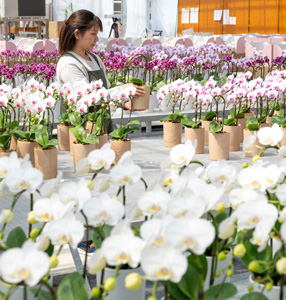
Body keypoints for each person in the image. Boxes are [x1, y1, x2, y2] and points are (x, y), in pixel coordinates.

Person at [56, 9, 145, 114]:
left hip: (102, 125)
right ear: (78, 34)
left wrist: (125, 102)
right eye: (93, 34)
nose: (97, 39)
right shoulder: (69, 63)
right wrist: (123, 89)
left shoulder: (95, 59)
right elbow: (87, 98)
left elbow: (106, 89)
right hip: (79, 127)